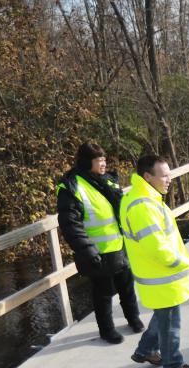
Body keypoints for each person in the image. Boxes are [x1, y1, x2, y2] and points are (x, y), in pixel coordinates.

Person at [120, 155, 189, 368]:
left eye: (169, 173)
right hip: (161, 274)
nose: (169, 179)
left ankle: (145, 350)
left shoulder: (144, 197)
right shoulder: (142, 205)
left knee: (164, 315)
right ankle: (174, 366)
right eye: (164, 175)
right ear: (148, 176)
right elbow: (156, 246)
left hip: (158, 275)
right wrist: (181, 261)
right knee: (170, 323)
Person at [56, 142, 143, 344]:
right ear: (88, 162)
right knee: (103, 295)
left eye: (104, 159)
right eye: (99, 160)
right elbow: (70, 223)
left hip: (119, 245)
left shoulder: (107, 181)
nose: (103, 163)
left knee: (127, 288)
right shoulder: (72, 186)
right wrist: (86, 249)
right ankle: (107, 330)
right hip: (97, 251)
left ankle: (133, 319)